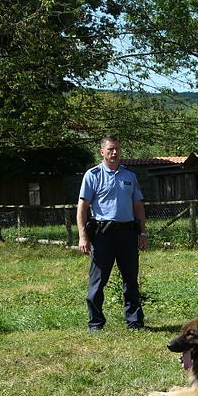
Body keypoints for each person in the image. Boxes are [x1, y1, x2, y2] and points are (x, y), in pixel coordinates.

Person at [77, 136, 149, 331]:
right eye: (110, 149)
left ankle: (134, 322)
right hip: (103, 235)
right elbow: (82, 207)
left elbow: (138, 205)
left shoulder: (129, 176)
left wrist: (142, 233)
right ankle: (96, 323)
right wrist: (83, 236)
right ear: (102, 152)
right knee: (97, 282)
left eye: (117, 149)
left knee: (130, 280)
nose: (114, 153)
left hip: (127, 234)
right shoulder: (92, 175)